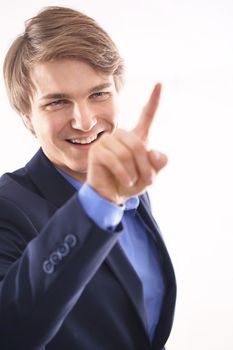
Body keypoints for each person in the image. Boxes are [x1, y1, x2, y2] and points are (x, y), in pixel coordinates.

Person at [0, 6, 176, 350]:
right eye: (57, 102)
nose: (84, 121)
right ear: (27, 118)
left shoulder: (130, 191)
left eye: (98, 94)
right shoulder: (7, 208)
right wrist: (97, 201)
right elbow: (10, 331)